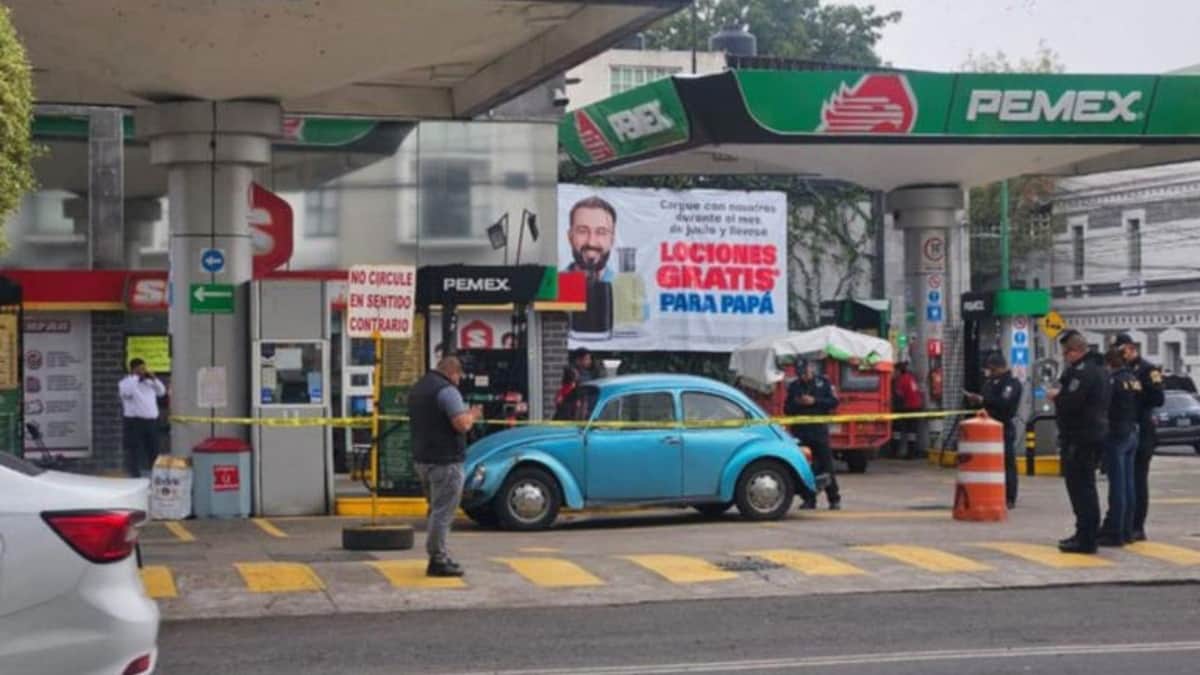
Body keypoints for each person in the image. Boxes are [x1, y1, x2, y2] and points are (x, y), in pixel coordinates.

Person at [408, 357, 482, 577]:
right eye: (459, 377)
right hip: (445, 461)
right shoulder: (447, 391)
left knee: (435, 509)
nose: (459, 382)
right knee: (443, 512)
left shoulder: (419, 388)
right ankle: (438, 559)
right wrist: (473, 415)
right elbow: (461, 424)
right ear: (453, 373)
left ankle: (438, 554)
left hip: (422, 459)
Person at [1048, 331, 1110, 554]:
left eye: (1066, 353)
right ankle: (1085, 533)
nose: (1065, 357)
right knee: (1085, 487)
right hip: (1092, 434)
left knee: (1081, 488)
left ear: (1075, 351)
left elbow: (1071, 403)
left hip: (1080, 436)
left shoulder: (1082, 373)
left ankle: (1085, 537)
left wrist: (1056, 396)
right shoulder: (1101, 369)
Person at [1112, 333, 1165, 541]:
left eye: (1122, 349)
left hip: (1142, 430)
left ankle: (1137, 525)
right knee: (1125, 480)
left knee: (1137, 480)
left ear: (1131, 348)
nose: (1120, 353)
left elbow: (1158, 398)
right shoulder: (1121, 372)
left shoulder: (1147, 369)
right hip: (1125, 428)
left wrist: (1136, 392)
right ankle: (1124, 523)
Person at [965, 352, 1023, 508]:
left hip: (1002, 427)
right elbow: (986, 402)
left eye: (992, 369)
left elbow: (1004, 404)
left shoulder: (1011, 384)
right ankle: (990, 493)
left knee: (1006, 463)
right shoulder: (989, 383)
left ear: (1000, 367)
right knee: (988, 464)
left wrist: (984, 400)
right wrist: (977, 401)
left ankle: (1009, 497)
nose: (989, 372)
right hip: (986, 428)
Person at [785, 358, 841, 510]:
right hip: (801, 431)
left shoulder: (823, 383)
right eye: (800, 373)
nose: (803, 376)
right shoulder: (794, 386)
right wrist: (798, 403)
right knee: (806, 467)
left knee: (827, 465)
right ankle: (809, 499)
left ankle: (834, 498)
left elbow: (833, 402)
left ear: (810, 368)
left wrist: (814, 401)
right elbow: (787, 409)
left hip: (818, 430)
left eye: (805, 372)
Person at [1098, 347, 1139, 547]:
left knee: (1117, 487)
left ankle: (1115, 532)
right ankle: (1128, 529)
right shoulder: (1132, 378)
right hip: (1132, 432)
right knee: (1129, 485)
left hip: (1116, 434)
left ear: (1109, 364)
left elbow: (1104, 406)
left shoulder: (1113, 381)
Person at [119, 358, 166, 478]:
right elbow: (127, 392)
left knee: (153, 448)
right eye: (140, 369)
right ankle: (134, 474)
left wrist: (154, 379)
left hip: (151, 421)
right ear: (133, 370)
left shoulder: (149, 383)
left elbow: (162, 392)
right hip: (135, 421)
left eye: (144, 368)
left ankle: (155, 474)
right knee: (134, 449)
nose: (143, 371)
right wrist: (136, 377)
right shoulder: (126, 382)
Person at [565, 196, 616, 282]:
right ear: (570, 237)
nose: (591, 242)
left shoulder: (628, 290)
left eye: (601, 232)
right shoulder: (550, 289)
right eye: (582, 231)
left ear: (612, 239)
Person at [891, 361, 923, 459]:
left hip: (907, 406)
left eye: (895, 371)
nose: (894, 373)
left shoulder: (900, 380)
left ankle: (894, 452)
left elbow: (899, 396)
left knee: (897, 429)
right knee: (912, 431)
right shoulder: (910, 377)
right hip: (916, 406)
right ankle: (911, 453)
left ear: (899, 371)